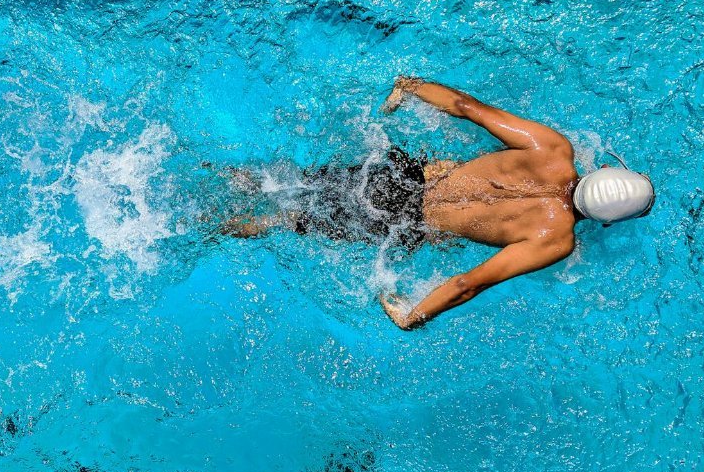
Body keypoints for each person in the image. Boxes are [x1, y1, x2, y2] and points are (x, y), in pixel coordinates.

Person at [223, 76, 655, 330]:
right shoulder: (555, 239)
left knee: (289, 182)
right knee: (287, 220)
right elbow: (470, 283)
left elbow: (467, 107)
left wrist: (410, 87)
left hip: (400, 175)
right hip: (402, 222)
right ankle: (209, 225)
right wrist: (414, 316)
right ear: (607, 222)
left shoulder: (553, 149)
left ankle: (223, 173)